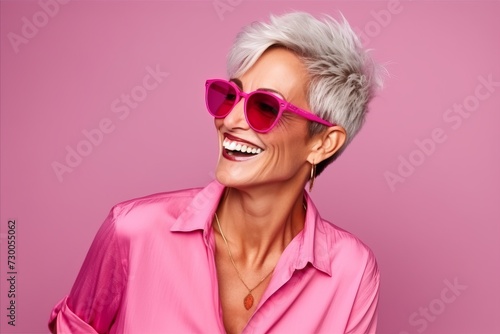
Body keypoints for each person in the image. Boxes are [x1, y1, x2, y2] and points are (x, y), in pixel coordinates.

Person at [49, 11, 384, 334]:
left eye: (265, 107)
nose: (230, 121)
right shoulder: (133, 232)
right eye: (230, 96)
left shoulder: (351, 271)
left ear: (323, 144)